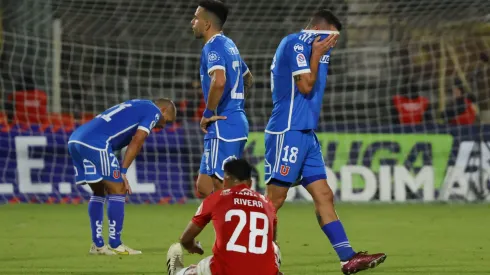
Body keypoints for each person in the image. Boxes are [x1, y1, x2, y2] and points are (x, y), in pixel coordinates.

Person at [265, 9, 387, 274]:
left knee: (324, 194)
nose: (335, 43)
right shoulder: (296, 43)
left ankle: (347, 257)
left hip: (307, 134)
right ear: (320, 31)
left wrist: (320, 53)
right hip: (288, 131)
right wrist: (317, 53)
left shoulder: (315, 48)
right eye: (333, 37)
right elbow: (306, 86)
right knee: (274, 200)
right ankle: (261, 261)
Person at [68, 99, 176, 255]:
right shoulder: (153, 110)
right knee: (118, 190)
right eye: (166, 120)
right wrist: (123, 171)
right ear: (163, 109)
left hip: (76, 139)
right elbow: (137, 141)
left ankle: (98, 245)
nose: (163, 126)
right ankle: (116, 244)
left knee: (99, 192)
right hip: (96, 143)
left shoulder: (137, 104)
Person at [167, 159, 281, 275]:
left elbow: (185, 239)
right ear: (250, 183)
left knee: (205, 265)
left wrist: (193, 246)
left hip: (227, 271)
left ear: (225, 180)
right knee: (274, 247)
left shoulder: (216, 198)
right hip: (265, 271)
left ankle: (179, 272)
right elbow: (272, 241)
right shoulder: (267, 203)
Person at [191, 0, 254, 197]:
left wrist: (208, 113)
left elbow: (219, 81)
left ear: (207, 24)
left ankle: (242, 221)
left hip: (223, 125)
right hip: (234, 122)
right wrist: (235, 103)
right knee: (204, 186)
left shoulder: (213, 47)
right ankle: (236, 218)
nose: (192, 22)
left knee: (222, 190)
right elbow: (248, 77)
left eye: (196, 18)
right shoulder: (229, 44)